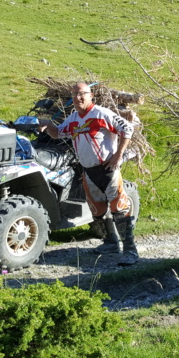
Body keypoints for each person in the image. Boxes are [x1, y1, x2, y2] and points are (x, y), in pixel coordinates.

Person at [38, 82, 139, 265]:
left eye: (82, 94)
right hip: (89, 171)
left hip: (108, 170)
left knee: (119, 210)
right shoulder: (74, 118)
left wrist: (118, 156)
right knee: (97, 211)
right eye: (74, 94)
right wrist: (47, 124)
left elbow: (127, 129)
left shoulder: (101, 113)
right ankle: (110, 242)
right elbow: (58, 133)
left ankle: (130, 251)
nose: (78, 98)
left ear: (90, 95)